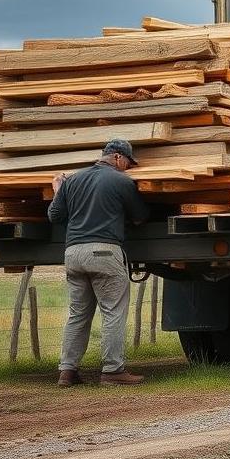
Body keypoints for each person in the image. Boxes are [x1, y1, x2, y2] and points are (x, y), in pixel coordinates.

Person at [47, 138, 150, 387]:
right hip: (104, 252)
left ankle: (67, 371)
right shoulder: (121, 181)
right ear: (116, 157)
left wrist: (59, 192)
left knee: (78, 314)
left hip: (73, 253)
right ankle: (113, 371)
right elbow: (140, 217)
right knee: (113, 311)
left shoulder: (72, 180)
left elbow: (55, 216)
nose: (129, 167)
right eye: (128, 162)